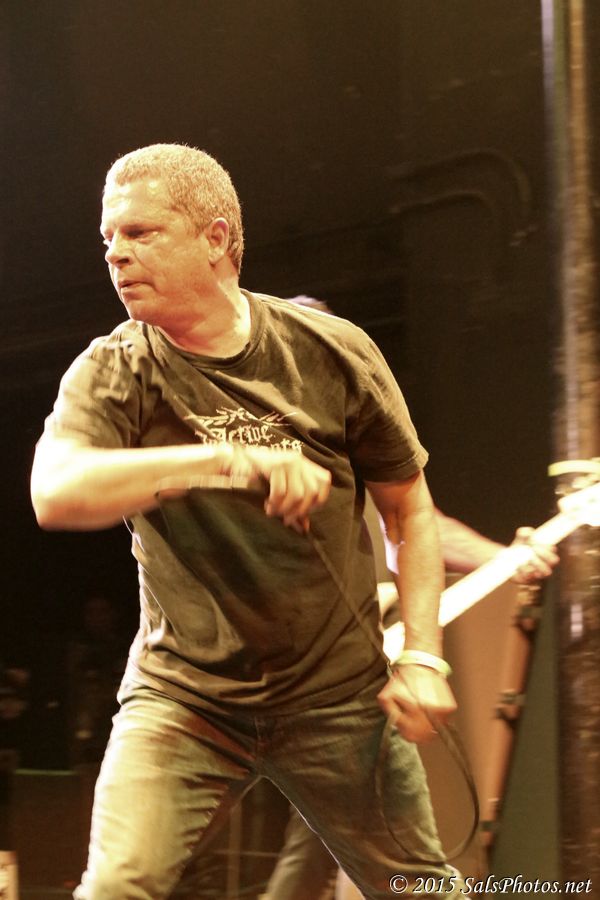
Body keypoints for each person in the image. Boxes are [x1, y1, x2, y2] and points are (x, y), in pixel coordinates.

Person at [27, 142, 519, 899]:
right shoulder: (116, 367)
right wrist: (221, 460)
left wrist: (425, 656)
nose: (116, 254)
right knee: (117, 888)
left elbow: (409, 510)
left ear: (216, 238)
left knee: (421, 891)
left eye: (141, 232)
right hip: (185, 697)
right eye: (108, 238)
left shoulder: (332, 351)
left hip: (337, 700)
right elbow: (55, 491)